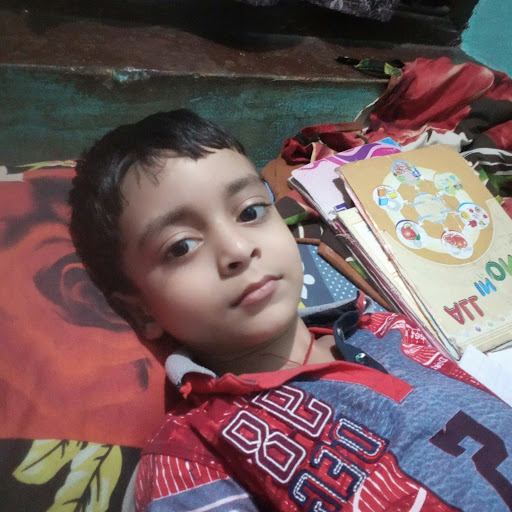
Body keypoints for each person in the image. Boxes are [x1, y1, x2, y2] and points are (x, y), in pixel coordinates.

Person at [69, 109, 512, 512]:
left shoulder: (390, 329)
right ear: (140, 311)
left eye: (250, 212)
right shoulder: (194, 457)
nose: (238, 249)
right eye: (181, 246)